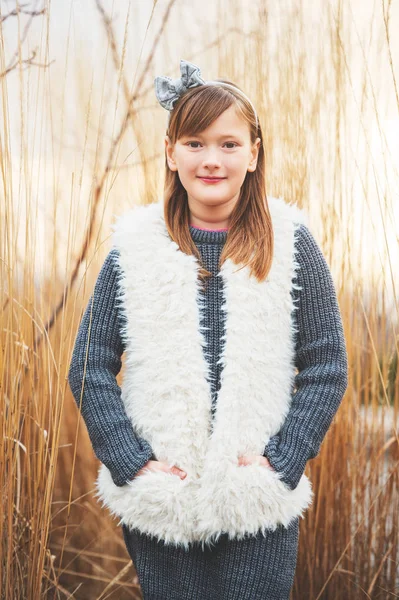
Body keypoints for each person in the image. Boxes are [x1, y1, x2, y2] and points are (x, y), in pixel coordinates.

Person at [68, 59, 349, 600]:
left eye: (228, 144)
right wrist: (131, 462)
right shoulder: (135, 249)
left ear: (253, 153)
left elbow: (327, 366)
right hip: (162, 498)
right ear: (171, 154)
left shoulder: (291, 244)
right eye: (195, 144)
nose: (212, 159)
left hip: (256, 496)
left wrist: (284, 459)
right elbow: (88, 366)